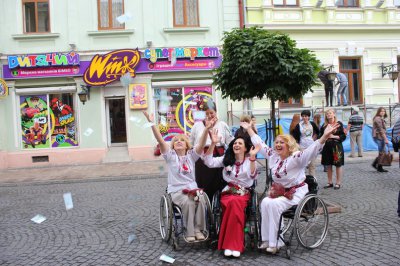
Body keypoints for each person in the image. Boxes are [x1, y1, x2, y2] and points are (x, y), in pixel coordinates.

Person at [241, 120, 340, 254]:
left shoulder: (296, 158)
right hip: (279, 192)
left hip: (296, 192)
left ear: (289, 145)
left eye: (282, 142)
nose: (278, 144)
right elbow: (260, 144)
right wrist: (249, 129)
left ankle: (276, 242)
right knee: (264, 202)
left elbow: (310, 151)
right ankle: (266, 239)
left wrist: (323, 137)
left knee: (275, 205)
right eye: (276, 142)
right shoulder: (273, 156)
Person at [143, 111, 214, 242]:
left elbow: (202, 144)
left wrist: (207, 129)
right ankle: (189, 232)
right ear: (173, 146)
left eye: (182, 140)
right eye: (176, 141)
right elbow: (160, 139)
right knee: (188, 201)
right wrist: (151, 122)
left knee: (201, 198)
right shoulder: (170, 156)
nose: (179, 142)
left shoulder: (192, 156)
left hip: (193, 189)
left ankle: (198, 229)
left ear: (187, 145)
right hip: (177, 191)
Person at [202, 131, 260, 258]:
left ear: (245, 148)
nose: (236, 145)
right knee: (232, 202)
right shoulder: (227, 160)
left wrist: (252, 158)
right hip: (228, 192)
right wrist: (213, 144)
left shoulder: (249, 160)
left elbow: (252, 175)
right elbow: (208, 162)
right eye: (235, 143)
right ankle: (233, 245)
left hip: (244, 193)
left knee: (235, 203)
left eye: (240, 143)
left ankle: (230, 244)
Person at [190, 103, 234, 200]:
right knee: (203, 182)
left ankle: (218, 204)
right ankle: (204, 203)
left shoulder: (222, 125)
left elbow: (231, 142)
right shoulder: (197, 126)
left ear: (216, 112)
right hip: (201, 158)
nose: (209, 116)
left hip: (218, 156)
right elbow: (191, 143)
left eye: (211, 113)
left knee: (219, 182)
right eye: (206, 114)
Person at [320, 109, 346, 189]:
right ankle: (330, 182)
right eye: (327, 114)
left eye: (330, 113)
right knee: (328, 165)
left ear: (334, 114)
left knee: (338, 165)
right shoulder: (324, 126)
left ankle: (338, 183)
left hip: (336, 146)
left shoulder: (339, 124)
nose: (328, 115)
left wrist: (334, 136)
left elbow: (343, 136)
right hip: (327, 146)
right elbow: (320, 136)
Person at [291, 110, 320, 177]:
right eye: (303, 116)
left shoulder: (312, 124)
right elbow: (295, 135)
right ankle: (302, 181)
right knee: (302, 165)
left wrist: (314, 138)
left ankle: (313, 180)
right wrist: (297, 144)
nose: (304, 118)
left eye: (306, 116)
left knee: (312, 165)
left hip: (311, 146)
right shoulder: (299, 125)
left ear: (309, 117)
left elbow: (318, 132)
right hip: (302, 147)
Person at [372, 107, 389, 173]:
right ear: (378, 112)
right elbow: (381, 130)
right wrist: (386, 139)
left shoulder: (380, 118)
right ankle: (379, 166)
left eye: (384, 111)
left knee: (382, 152)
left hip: (380, 136)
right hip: (379, 136)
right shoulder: (377, 119)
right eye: (381, 111)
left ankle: (377, 165)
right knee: (383, 151)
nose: (383, 112)